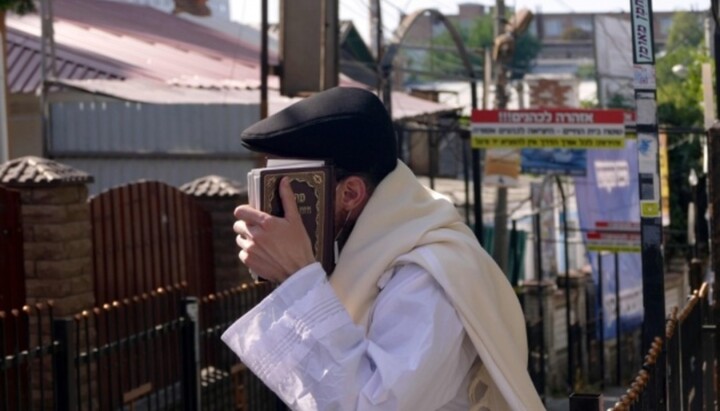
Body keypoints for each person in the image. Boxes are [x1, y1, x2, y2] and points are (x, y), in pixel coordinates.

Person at [222, 86, 544, 411]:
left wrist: (299, 279)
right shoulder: (362, 261)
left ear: (350, 193)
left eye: (285, 190)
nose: (270, 209)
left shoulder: (428, 277)